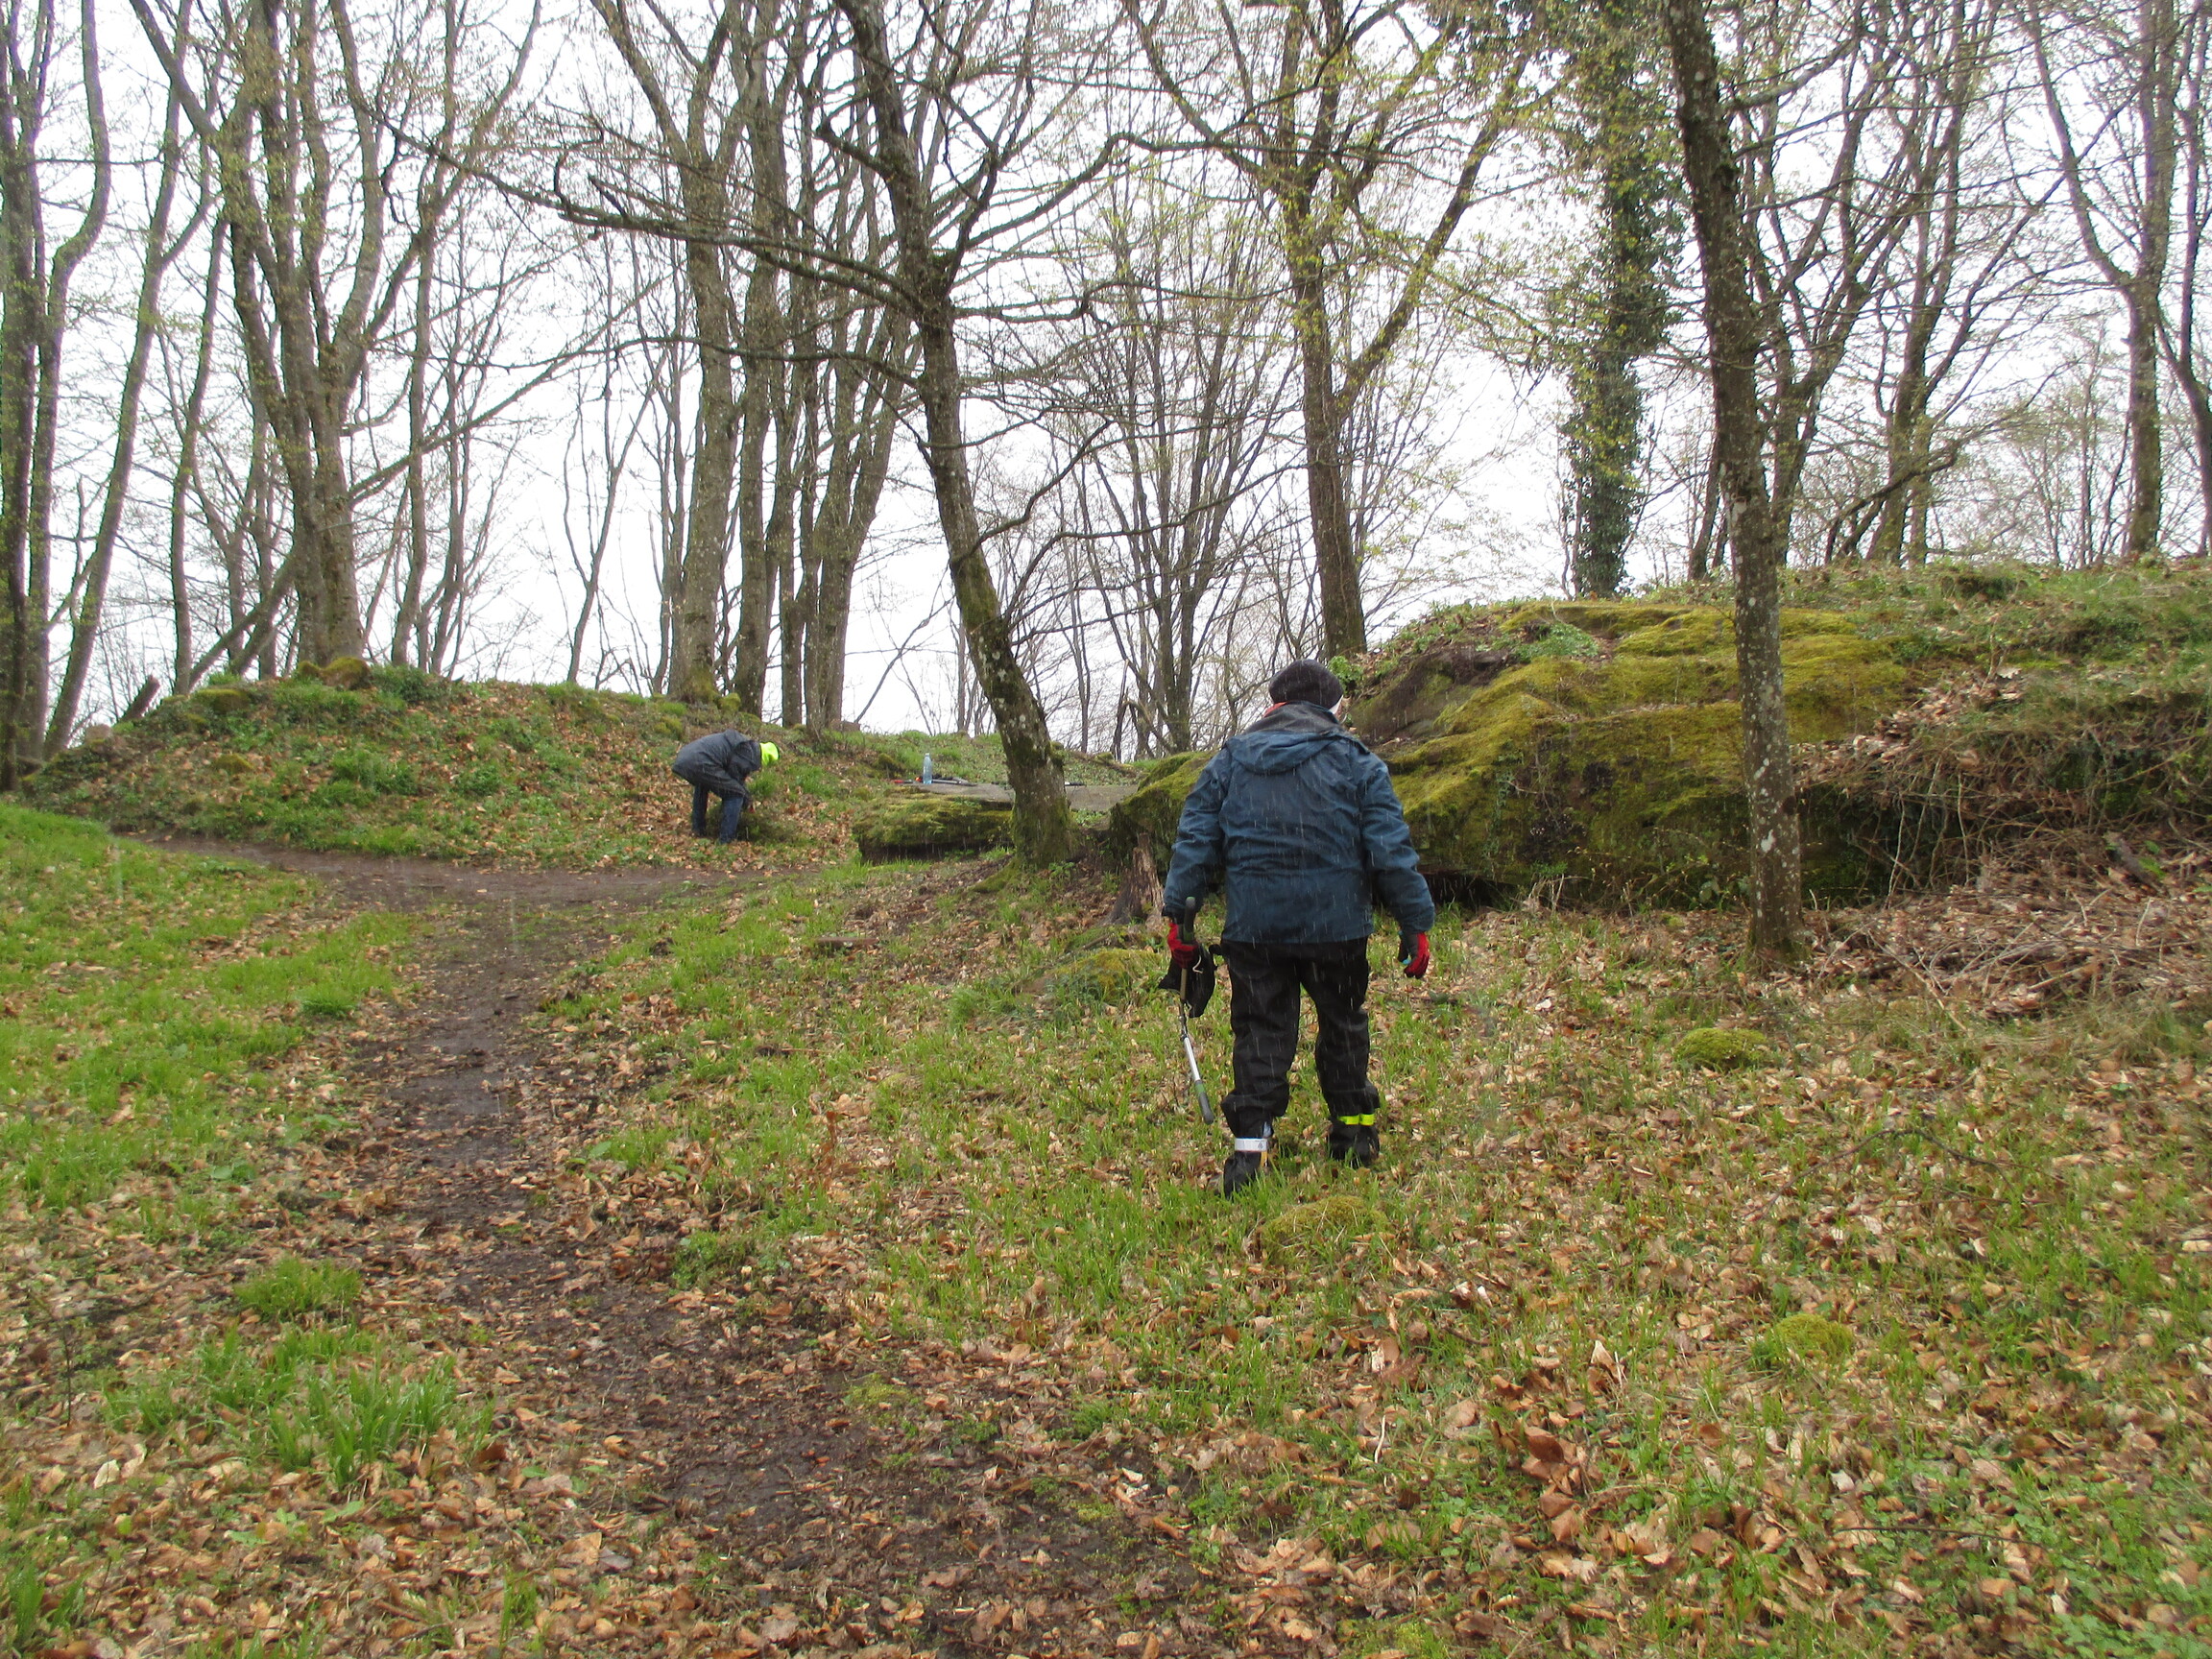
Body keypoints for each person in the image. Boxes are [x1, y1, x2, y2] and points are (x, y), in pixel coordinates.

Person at [1162, 660, 1433, 1195]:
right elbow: (1390, 851)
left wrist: (1180, 918)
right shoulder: (1357, 760)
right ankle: (1354, 1135)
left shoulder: (1231, 760)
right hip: (1336, 927)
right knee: (1343, 1023)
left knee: (1260, 1030)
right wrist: (1415, 924)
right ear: (1333, 707)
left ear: (1275, 703)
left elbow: (1195, 840)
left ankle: (1250, 1153)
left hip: (1256, 928)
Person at [672, 730, 779, 843]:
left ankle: (698, 828)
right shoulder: (750, 754)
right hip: (701, 762)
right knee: (735, 794)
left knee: (703, 784)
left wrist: (747, 798)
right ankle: (726, 838)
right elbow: (735, 777)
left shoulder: (744, 745)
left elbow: (733, 777)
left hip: (685, 759)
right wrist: (746, 800)